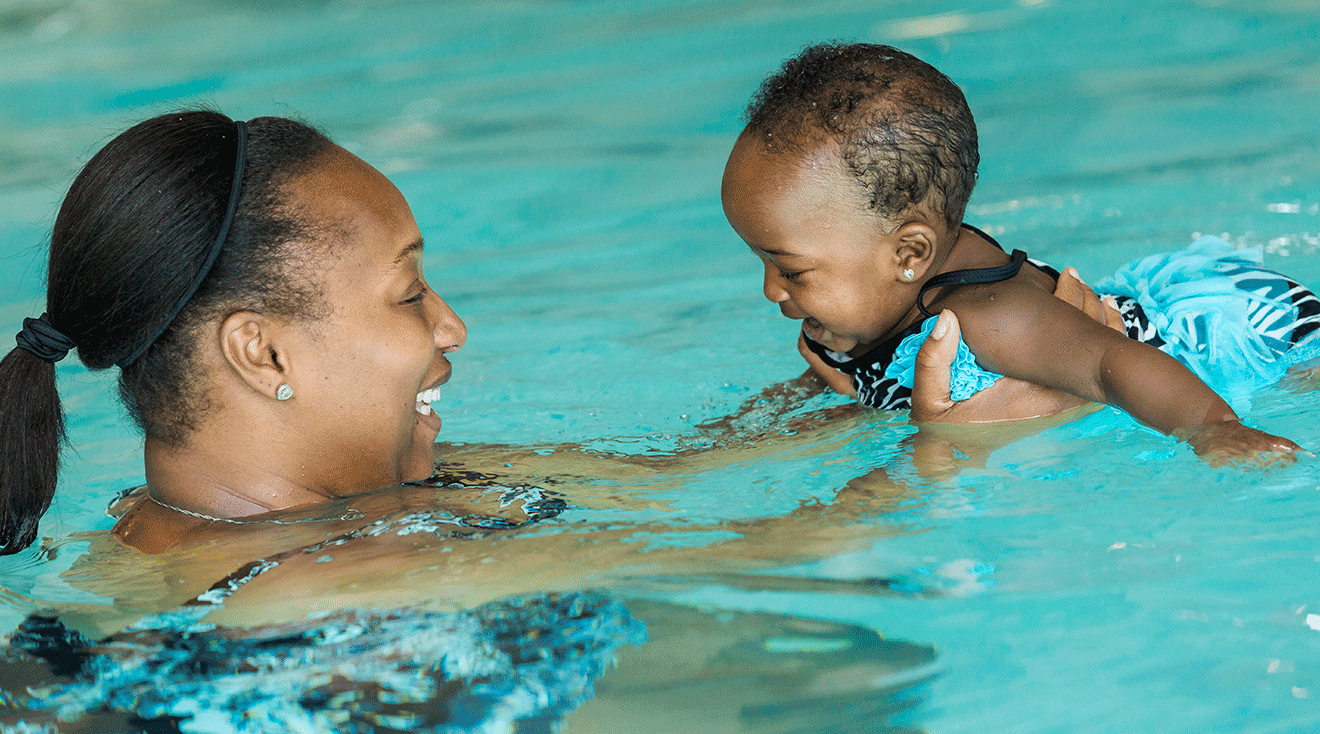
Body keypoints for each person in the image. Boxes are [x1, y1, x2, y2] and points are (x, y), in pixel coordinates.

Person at [0, 109, 1125, 559]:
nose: (452, 326)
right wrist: (949, 459)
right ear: (263, 351)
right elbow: (764, 566)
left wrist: (865, 385)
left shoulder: (338, 512)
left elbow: (670, 480)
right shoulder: (314, 588)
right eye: (407, 295)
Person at [721, 42, 1318, 465]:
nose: (772, 289)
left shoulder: (991, 316)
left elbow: (1111, 365)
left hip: (1239, 332)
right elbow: (828, 387)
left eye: (790, 269)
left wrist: (1214, 431)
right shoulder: (871, 295)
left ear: (909, 253)